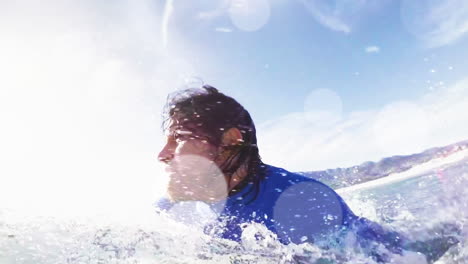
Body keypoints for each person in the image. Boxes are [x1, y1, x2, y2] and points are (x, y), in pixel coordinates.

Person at [155, 85, 457, 263]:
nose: (162, 154)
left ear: (231, 141)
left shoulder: (300, 205)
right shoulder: (172, 210)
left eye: (178, 139)